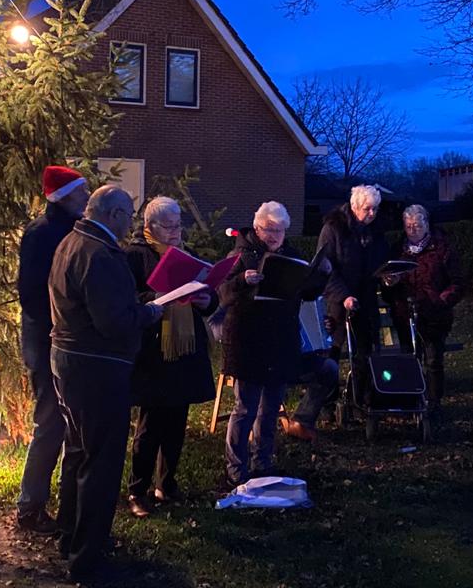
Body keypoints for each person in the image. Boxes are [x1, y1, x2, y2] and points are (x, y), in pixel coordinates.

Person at [49, 185, 165, 582]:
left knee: (79, 452)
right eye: (129, 215)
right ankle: (88, 560)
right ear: (114, 215)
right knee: (101, 463)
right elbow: (114, 323)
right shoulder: (101, 254)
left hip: (68, 360)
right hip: (97, 367)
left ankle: (71, 537)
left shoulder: (72, 241)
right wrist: (150, 312)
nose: (131, 222)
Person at [219, 201, 331, 485]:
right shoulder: (240, 255)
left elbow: (305, 292)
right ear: (257, 228)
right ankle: (236, 467)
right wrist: (244, 281)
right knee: (245, 408)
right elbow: (222, 294)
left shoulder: (290, 255)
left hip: (281, 341)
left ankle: (263, 463)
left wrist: (321, 276)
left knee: (270, 409)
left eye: (280, 231)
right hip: (248, 342)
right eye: (269, 230)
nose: (274, 236)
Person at [124, 197, 217, 517]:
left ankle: (166, 483)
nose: (176, 231)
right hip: (153, 351)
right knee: (150, 425)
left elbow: (210, 298)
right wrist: (159, 297)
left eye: (179, 224)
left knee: (177, 421)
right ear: (149, 226)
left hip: (185, 350)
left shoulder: (183, 256)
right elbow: (128, 298)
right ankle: (137, 489)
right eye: (168, 225)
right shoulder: (135, 256)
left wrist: (206, 298)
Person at [15, 165, 90, 534]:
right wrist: (61, 321)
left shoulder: (67, 230)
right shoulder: (43, 234)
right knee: (49, 420)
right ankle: (30, 507)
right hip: (46, 337)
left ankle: (58, 500)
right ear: (65, 197)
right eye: (82, 193)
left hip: (57, 335)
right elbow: (30, 293)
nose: (88, 198)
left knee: (61, 420)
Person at [383, 204, 464, 428]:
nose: (412, 230)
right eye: (408, 226)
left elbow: (458, 282)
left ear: (426, 224)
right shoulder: (398, 249)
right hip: (405, 314)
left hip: (434, 314)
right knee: (410, 359)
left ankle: (434, 403)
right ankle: (412, 401)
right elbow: (388, 281)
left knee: (432, 360)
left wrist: (441, 300)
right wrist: (390, 283)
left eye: (417, 226)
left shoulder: (442, 248)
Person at [316, 185, 389, 407]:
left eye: (375, 209)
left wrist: (386, 275)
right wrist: (343, 296)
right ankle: (326, 402)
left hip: (366, 297)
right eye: (368, 209)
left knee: (366, 348)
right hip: (339, 298)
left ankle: (362, 397)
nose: (372, 214)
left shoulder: (375, 230)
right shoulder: (333, 228)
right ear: (355, 206)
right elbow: (325, 267)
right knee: (333, 351)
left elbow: (381, 259)